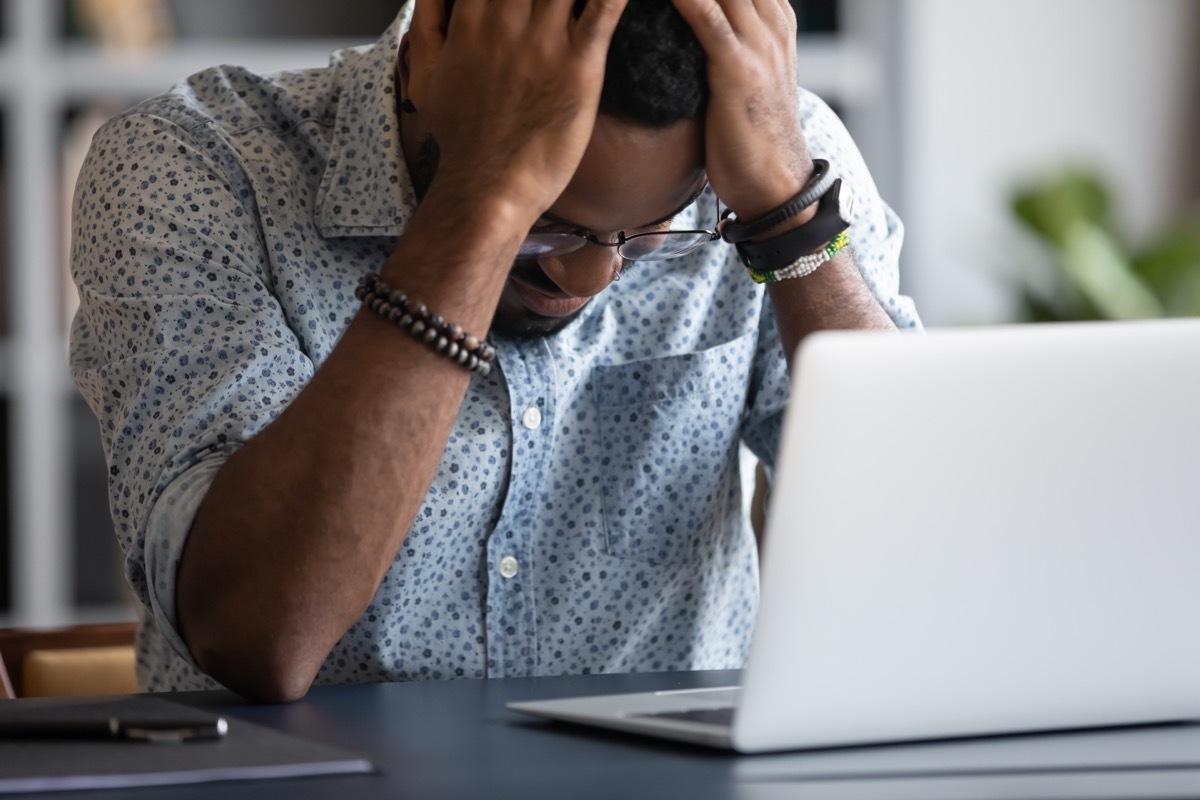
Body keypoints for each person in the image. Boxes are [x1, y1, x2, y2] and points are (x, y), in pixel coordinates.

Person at [70, 0, 920, 702]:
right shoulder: (200, 166)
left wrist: (791, 224)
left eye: (650, 232)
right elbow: (259, 636)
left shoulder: (770, 158)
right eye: (550, 222)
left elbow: (917, 551)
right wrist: (483, 204)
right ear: (431, 55)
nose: (589, 274)